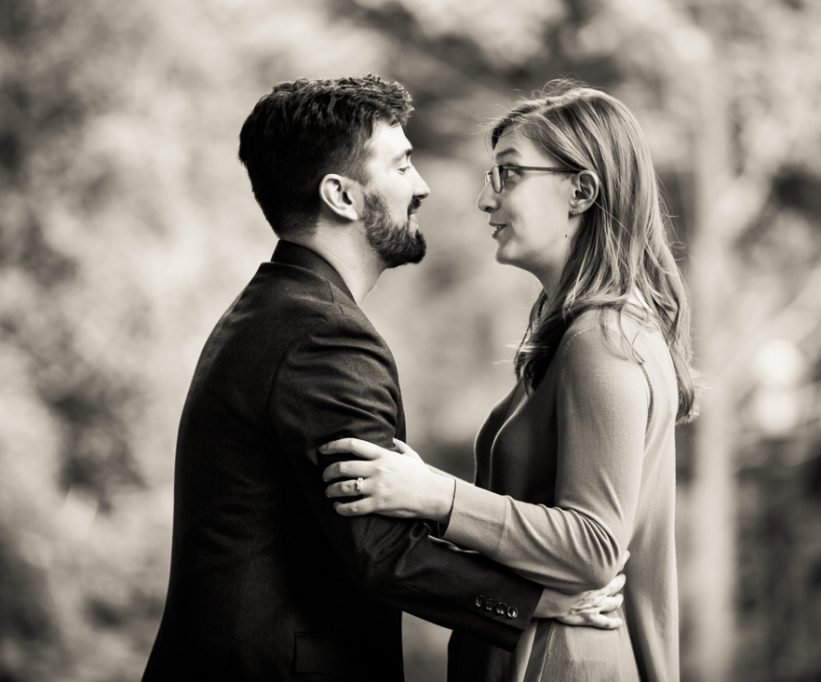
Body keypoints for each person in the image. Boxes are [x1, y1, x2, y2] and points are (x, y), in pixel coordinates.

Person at [142, 76, 624, 682]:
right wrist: (536, 605)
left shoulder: (270, 313)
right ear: (342, 196)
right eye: (400, 165)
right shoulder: (324, 338)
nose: (420, 186)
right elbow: (382, 551)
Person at [320, 81, 699, 681]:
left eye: (509, 174)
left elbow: (594, 548)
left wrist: (433, 494)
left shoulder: (603, 339)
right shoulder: (583, 332)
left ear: (581, 190)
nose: (485, 200)